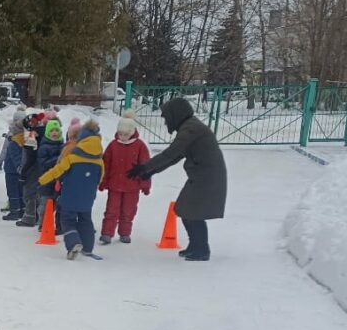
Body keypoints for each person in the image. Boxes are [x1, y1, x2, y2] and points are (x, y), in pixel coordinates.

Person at [127, 98, 227, 261]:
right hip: (203, 176)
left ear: (176, 115)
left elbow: (171, 153)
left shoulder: (191, 130)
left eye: (167, 118)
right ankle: (196, 245)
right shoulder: (190, 127)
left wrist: (145, 167)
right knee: (185, 209)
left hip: (206, 178)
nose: (166, 123)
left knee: (192, 212)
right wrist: (150, 172)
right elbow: (176, 156)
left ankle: (201, 249)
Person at [38, 119, 105, 259]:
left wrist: (42, 180)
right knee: (85, 219)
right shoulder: (99, 162)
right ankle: (87, 248)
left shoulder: (72, 158)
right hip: (88, 197)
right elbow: (100, 178)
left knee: (67, 219)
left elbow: (57, 170)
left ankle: (73, 243)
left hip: (70, 195)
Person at [99, 110, 151, 244]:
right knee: (111, 210)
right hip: (115, 185)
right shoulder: (113, 145)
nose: (122, 137)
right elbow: (106, 164)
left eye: (126, 134)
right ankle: (107, 233)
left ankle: (125, 233)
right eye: (120, 134)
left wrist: (145, 184)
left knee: (129, 211)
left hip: (132, 186)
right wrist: (103, 181)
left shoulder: (140, 146)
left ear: (132, 132)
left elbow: (145, 167)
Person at [18, 118, 64, 227]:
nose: (54, 133)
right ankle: (42, 223)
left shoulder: (31, 134)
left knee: (35, 195)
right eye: (52, 131)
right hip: (45, 176)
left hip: (52, 177)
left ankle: (51, 223)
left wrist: (23, 171)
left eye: (56, 130)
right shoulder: (41, 141)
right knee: (44, 200)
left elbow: (29, 156)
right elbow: (33, 157)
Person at [0, 110, 26, 221]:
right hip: (20, 171)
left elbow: (15, 157)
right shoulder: (24, 138)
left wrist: (18, 167)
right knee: (20, 190)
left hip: (11, 170)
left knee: (12, 191)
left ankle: (15, 211)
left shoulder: (13, 142)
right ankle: (21, 210)